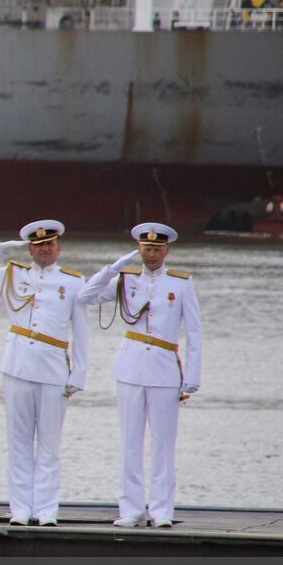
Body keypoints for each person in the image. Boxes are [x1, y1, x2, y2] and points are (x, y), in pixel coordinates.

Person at [0, 220, 88, 526]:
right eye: (38, 245)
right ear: (30, 248)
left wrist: (79, 375)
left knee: (48, 444)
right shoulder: (11, 274)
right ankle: (21, 509)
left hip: (54, 368)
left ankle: (46, 510)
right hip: (18, 366)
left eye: (49, 244)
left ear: (58, 248)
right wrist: (0, 250)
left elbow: (82, 333)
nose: (44, 249)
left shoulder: (73, 282)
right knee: (18, 443)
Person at [79, 222, 201, 528]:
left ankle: (161, 511)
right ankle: (131, 509)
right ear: (139, 250)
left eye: (157, 249)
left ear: (167, 250)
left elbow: (195, 332)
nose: (151, 254)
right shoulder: (125, 279)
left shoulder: (181, 283)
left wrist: (193, 375)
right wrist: (115, 267)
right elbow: (86, 296)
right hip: (131, 367)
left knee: (163, 444)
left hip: (164, 369)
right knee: (130, 442)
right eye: (146, 249)